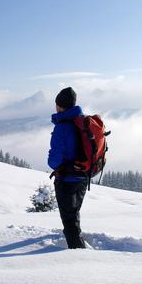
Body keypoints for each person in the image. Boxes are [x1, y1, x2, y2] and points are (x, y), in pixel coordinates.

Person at [48, 87, 87, 249]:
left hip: (67, 180)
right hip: (83, 176)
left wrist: (52, 161)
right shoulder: (81, 121)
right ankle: (78, 244)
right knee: (74, 215)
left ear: (60, 105)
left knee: (69, 221)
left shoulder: (62, 127)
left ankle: (77, 256)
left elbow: (54, 161)